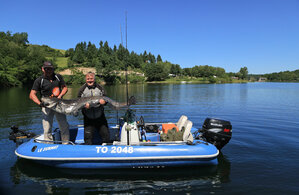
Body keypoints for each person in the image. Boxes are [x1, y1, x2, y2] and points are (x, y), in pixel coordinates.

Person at [29, 61, 69, 143]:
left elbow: (65, 88)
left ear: (53, 69)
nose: (48, 71)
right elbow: (32, 94)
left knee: (64, 125)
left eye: (50, 69)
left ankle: (66, 143)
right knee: (47, 127)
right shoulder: (39, 80)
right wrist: (39, 104)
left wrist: (60, 95)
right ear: (43, 69)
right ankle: (48, 144)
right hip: (46, 105)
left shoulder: (58, 77)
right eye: (46, 69)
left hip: (59, 104)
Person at [77, 72, 110, 145]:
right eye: (88, 79)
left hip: (100, 116)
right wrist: (84, 106)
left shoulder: (100, 88)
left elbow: (107, 99)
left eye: (91, 79)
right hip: (88, 117)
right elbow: (78, 103)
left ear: (94, 79)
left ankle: (106, 151)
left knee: (106, 136)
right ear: (86, 80)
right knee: (88, 138)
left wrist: (104, 102)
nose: (89, 80)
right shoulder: (82, 89)